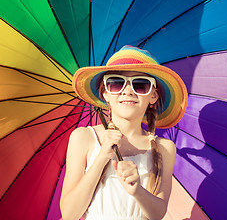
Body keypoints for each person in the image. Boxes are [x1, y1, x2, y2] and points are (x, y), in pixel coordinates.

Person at [60, 46, 188, 220]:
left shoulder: (164, 148)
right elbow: (69, 213)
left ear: (153, 96)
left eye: (140, 85)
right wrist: (102, 157)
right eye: (116, 82)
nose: (127, 91)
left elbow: (158, 213)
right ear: (105, 93)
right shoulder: (84, 138)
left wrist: (138, 191)